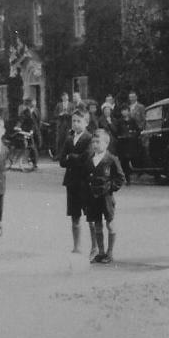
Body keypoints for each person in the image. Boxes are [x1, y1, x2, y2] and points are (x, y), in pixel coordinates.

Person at [85, 130, 125, 264]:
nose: (95, 145)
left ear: (106, 144)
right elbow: (86, 176)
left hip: (106, 198)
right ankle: (100, 252)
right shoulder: (90, 158)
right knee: (97, 225)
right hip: (93, 197)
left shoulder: (111, 159)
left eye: (98, 142)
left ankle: (110, 252)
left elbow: (120, 178)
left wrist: (110, 188)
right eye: (93, 142)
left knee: (110, 224)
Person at [60, 111, 93, 255]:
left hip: (85, 182)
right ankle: (77, 246)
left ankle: (95, 247)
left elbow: (86, 158)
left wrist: (71, 157)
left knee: (91, 216)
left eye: (79, 121)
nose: (75, 124)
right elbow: (62, 161)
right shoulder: (69, 140)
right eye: (73, 121)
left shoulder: (90, 139)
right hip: (71, 182)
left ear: (86, 123)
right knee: (75, 216)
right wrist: (74, 158)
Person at [115, 104, 140, 183]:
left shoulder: (132, 120)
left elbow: (138, 130)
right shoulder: (119, 121)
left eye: (126, 110)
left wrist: (133, 135)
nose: (124, 112)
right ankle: (126, 177)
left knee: (131, 159)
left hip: (131, 143)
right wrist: (120, 136)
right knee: (124, 161)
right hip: (123, 143)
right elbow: (117, 132)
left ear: (129, 111)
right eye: (123, 111)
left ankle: (132, 174)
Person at [16, 99, 39, 170]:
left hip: (35, 131)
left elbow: (37, 121)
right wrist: (18, 127)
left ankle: (32, 161)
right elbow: (20, 120)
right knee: (32, 147)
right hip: (27, 132)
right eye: (33, 103)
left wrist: (34, 130)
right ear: (29, 105)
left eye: (35, 103)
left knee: (36, 146)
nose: (34, 104)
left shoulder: (36, 111)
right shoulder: (25, 112)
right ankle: (34, 163)